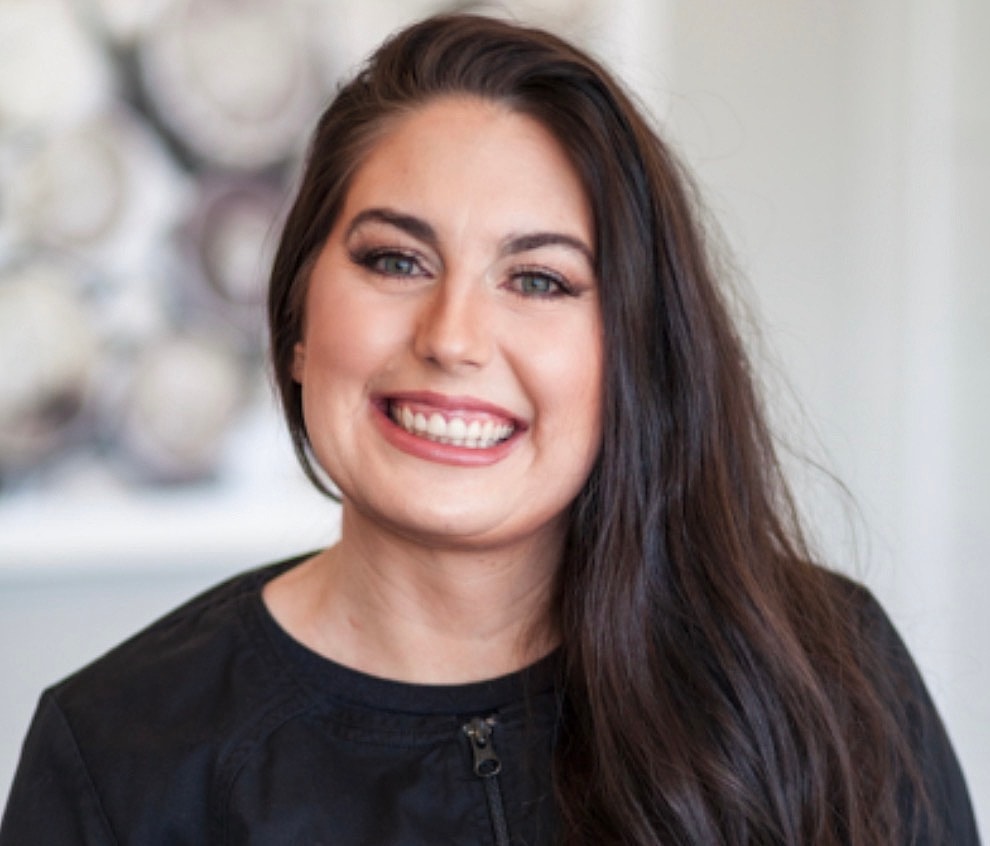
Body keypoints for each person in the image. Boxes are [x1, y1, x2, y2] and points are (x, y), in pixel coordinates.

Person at [1, 13, 980, 846]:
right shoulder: (118, 752)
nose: (454, 338)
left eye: (540, 280)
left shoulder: (824, 676)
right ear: (298, 322)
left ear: (632, 357)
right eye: (394, 261)